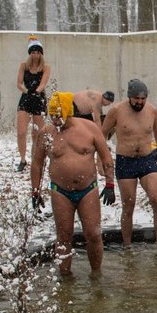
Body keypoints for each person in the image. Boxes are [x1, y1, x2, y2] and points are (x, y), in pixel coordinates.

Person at [31, 92, 114, 276]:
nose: (55, 119)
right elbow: (37, 163)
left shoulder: (89, 128)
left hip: (88, 190)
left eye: (58, 114)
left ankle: (96, 274)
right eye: (52, 115)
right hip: (60, 191)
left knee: (93, 234)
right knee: (64, 236)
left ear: (68, 111)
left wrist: (110, 184)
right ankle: (65, 279)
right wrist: (35, 192)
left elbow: (106, 156)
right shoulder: (47, 133)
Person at [100, 79, 157, 249]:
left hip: (147, 159)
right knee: (129, 204)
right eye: (136, 99)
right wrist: (100, 160)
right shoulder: (116, 111)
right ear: (129, 96)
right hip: (126, 161)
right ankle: (127, 245)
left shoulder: (153, 111)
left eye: (143, 99)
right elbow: (101, 135)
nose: (139, 102)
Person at [15, 35, 51, 172]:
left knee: (37, 133)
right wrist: (26, 91)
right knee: (21, 132)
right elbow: (18, 83)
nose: (35, 55)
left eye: (37, 52)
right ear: (29, 54)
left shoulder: (45, 67)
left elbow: (43, 83)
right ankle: (23, 159)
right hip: (25, 98)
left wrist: (36, 91)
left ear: (41, 54)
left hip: (38, 99)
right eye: (33, 52)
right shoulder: (23, 66)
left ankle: (36, 157)